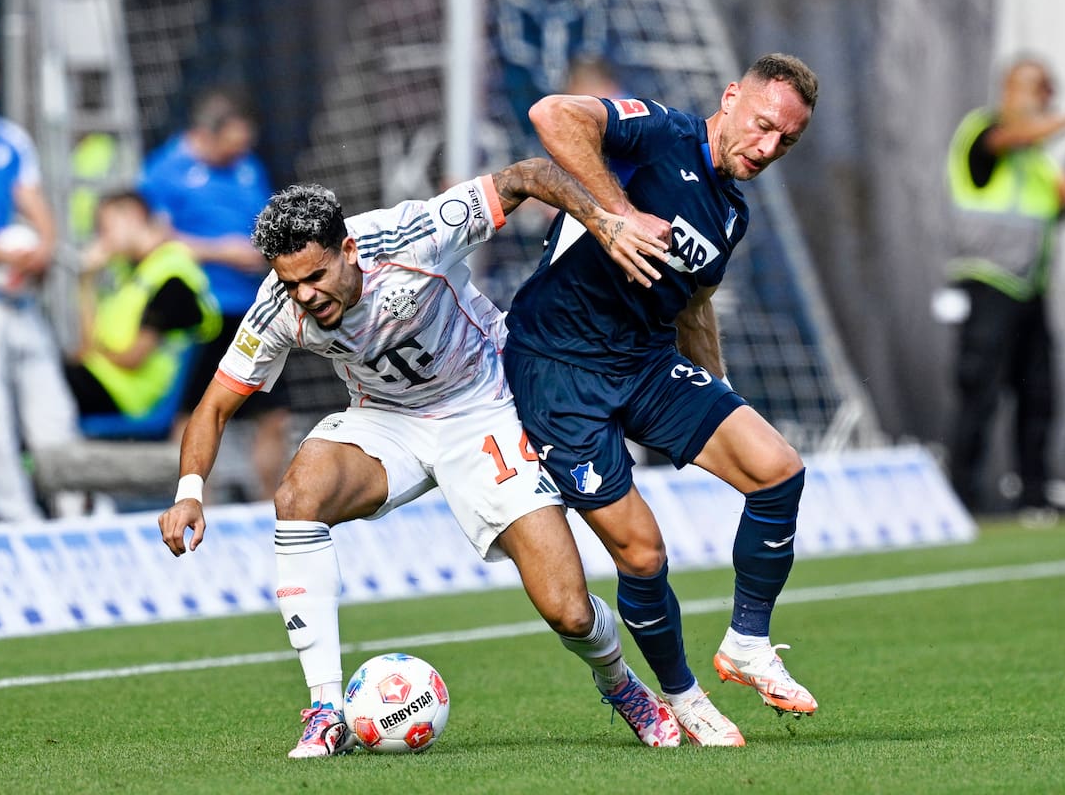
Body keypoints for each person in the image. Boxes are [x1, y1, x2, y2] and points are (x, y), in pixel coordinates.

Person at [157, 160, 682, 758]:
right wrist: (188, 493)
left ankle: (620, 683)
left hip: (484, 407)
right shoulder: (279, 305)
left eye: (316, 276)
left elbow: (529, 174)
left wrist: (605, 222)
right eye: (291, 282)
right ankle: (325, 710)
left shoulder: (416, 234)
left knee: (568, 612)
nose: (305, 295)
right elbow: (214, 406)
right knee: (298, 496)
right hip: (386, 420)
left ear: (348, 250)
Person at [502, 54, 819, 743]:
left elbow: (694, 308)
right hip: (559, 370)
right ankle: (683, 697)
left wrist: (721, 397)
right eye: (763, 124)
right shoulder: (659, 131)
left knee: (777, 470)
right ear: (731, 98)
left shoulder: (730, 213)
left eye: (786, 141)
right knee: (643, 554)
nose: (768, 147)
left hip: (645, 362)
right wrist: (615, 215)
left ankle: (747, 643)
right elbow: (552, 114)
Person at [945, 59, 1065, 524]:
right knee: (979, 394)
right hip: (987, 282)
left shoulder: (1038, 161)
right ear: (1009, 89)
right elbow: (1008, 140)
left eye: (1048, 89)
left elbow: (1060, 204)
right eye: (1037, 87)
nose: (1044, 98)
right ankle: (962, 497)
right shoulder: (982, 129)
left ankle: (1034, 496)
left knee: (1038, 396)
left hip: (1030, 289)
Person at [140, 86, 289, 500]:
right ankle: (195, 500)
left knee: (274, 413)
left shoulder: (248, 167)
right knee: (195, 411)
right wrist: (221, 251)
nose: (239, 153)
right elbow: (151, 240)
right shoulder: (164, 170)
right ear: (207, 135)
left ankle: (270, 504)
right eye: (231, 145)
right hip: (202, 313)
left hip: (255, 311)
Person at [0, 43, 79, 521]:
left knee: (52, 404)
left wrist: (42, 248)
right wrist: (12, 255)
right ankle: (14, 515)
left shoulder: (8, 138)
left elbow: (33, 202)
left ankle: (77, 505)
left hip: (17, 294)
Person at [63, 191, 221, 420]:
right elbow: (87, 344)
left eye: (105, 228)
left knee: (48, 379)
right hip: (108, 382)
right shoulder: (128, 275)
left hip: (133, 396)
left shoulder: (173, 275)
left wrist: (92, 355)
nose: (102, 239)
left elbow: (133, 359)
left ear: (133, 215)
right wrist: (86, 282)